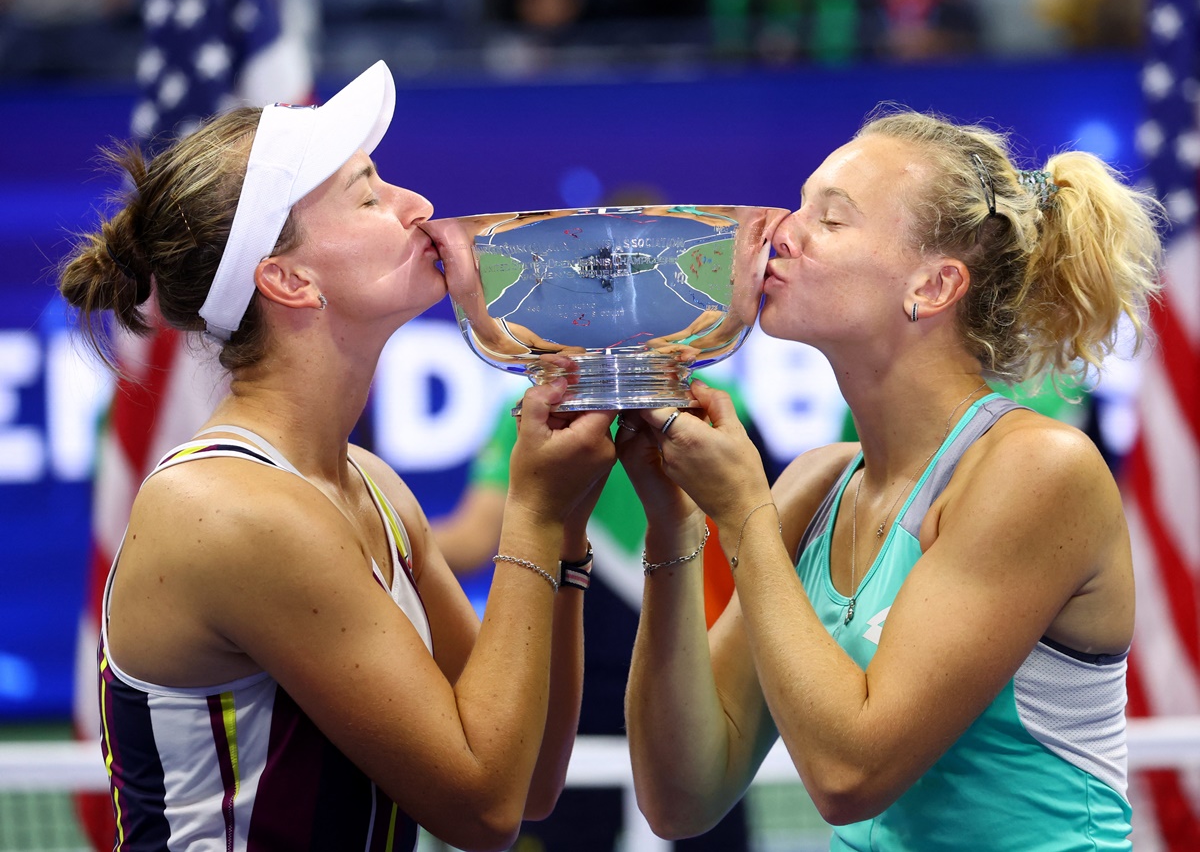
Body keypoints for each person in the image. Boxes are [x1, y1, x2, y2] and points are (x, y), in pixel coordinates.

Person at [58, 61, 617, 852]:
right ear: (287, 279)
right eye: (368, 193)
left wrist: (560, 530)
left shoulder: (371, 486)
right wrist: (531, 512)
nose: (417, 206)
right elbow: (483, 811)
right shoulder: (229, 512)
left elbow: (531, 784)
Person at [618, 106, 1163, 850]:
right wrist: (675, 524)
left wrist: (742, 513)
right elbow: (680, 799)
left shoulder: (1038, 468)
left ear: (934, 286)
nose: (782, 229)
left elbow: (851, 776)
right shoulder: (815, 486)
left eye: (831, 219)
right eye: (801, 204)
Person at [431, 372, 774, 852]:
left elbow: (473, 538)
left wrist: (385, 534)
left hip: (622, 684)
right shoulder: (716, 402)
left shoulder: (535, 409)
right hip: (678, 678)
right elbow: (764, 540)